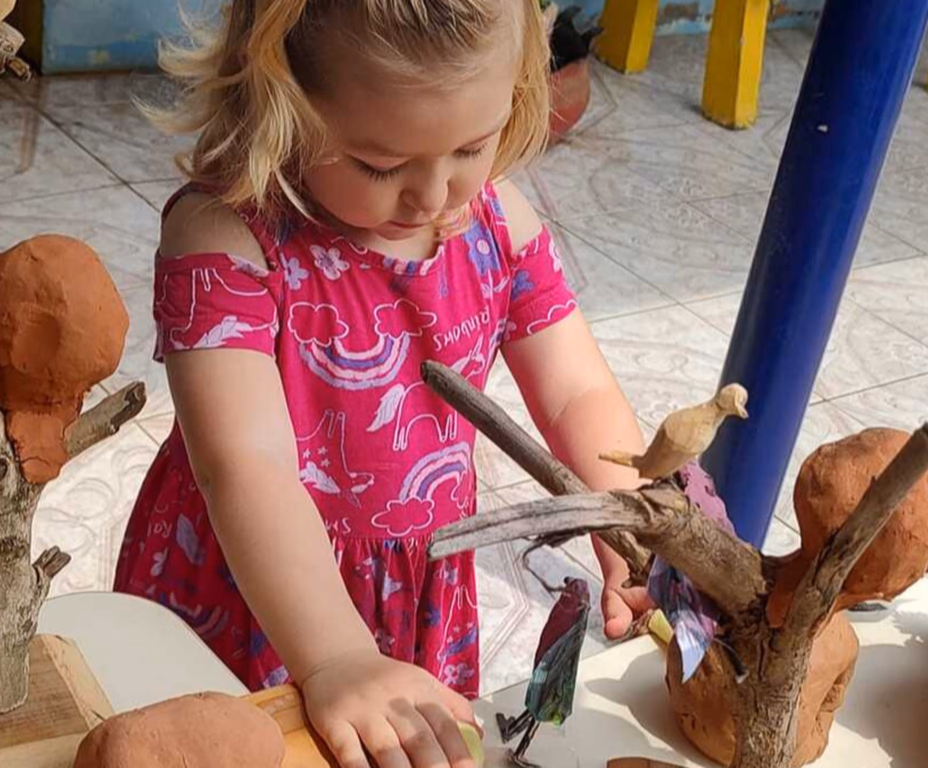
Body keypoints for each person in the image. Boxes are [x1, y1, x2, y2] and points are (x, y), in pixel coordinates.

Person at [114, 1, 650, 766]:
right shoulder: (228, 239)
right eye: (380, 164)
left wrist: (633, 517)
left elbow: (575, 394)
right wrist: (336, 657)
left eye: (472, 145)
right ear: (280, 97)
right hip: (260, 591)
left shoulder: (499, 222)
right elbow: (245, 466)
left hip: (415, 594)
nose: (434, 196)